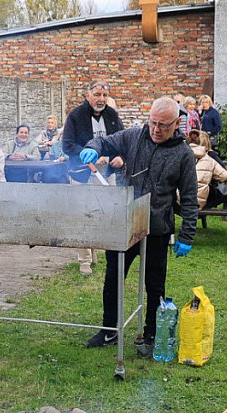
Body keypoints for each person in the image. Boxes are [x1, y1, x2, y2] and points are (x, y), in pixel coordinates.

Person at [79, 97, 198, 349]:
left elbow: (189, 198)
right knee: (113, 278)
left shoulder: (183, 154)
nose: (156, 129)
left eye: (164, 126)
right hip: (125, 222)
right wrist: (93, 147)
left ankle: (152, 333)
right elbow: (104, 141)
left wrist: (187, 236)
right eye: (153, 122)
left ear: (176, 123)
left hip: (157, 227)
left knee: (155, 284)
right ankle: (109, 329)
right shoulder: (133, 137)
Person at [62, 80, 125, 275]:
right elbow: (68, 145)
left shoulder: (112, 116)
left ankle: (97, 249)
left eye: (104, 95)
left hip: (107, 174)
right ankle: (84, 260)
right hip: (82, 173)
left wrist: (119, 157)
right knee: (83, 214)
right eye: (97, 94)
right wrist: (88, 156)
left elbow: (123, 141)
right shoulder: (76, 115)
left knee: (105, 213)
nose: (101, 99)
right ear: (88, 95)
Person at [187, 129, 227, 209]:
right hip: (199, 202)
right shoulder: (210, 159)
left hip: (180, 199)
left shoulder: (182, 155)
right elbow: (225, 176)